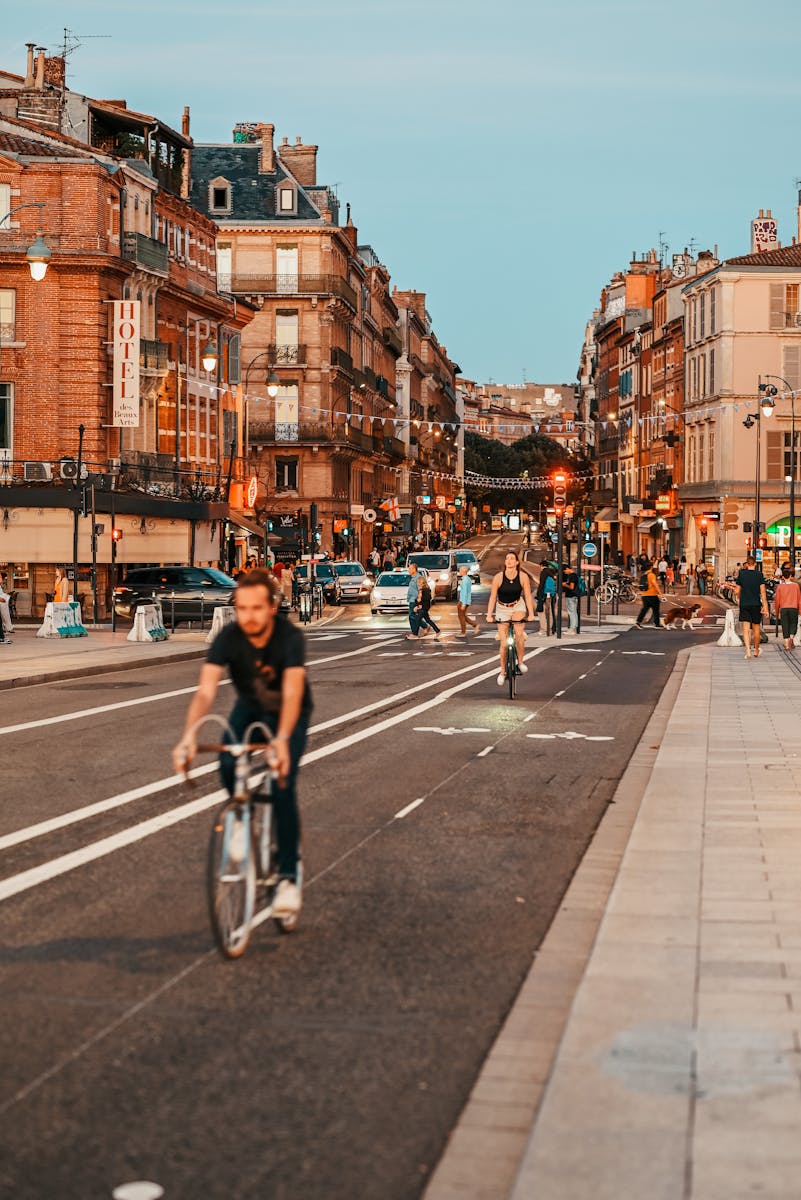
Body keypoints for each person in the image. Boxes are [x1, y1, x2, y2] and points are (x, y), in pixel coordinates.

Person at [172, 569, 310, 921]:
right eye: (242, 608)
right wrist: (189, 736)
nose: (248, 616)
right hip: (249, 706)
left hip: (287, 710)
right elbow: (205, 691)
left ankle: (288, 879)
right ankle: (240, 817)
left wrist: (280, 741)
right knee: (228, 763)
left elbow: (294, 691)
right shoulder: (229, 638)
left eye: (256, 608)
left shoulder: (289, 638)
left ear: (271, 607)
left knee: (282, 784)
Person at [486, 551, 535, 686]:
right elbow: (492, 597)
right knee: (503, 643)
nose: (509, 560)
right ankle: (502, 672)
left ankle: (520, 662)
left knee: (519, 634)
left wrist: (531, 614)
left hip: (517, 606)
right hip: (502, 608)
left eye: (512, 558)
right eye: (507, 558)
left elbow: (528, 596)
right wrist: (489, 615)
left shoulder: (523, 577)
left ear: (517, 562)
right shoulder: (498, 577)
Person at [735, 555, 768, 659]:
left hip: (744, 604)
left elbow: (737, 590)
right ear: (755, 564)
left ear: (747, 564)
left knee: (746, 629)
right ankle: (756, 649)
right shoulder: (759, 575)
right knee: (756, 629)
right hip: (756, 604)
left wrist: (738, 598)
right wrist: (765, 606)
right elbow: (763, 592)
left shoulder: (742, 574)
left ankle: (748, 651)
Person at [773, 563, 801, 651]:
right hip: (794, 608)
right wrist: (800, 610)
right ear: (790, 576)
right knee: (793, 624)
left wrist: (776, 611)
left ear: (783, 577)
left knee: (785, 625)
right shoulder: (796, 586)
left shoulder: (780, 587)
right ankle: (791, 638)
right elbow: (799, 598)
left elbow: (777, 600)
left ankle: (786, 644)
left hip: (784, 608)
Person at [634, 559, 663, 629]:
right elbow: (655, 584)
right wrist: (660, 593)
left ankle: (638, 621)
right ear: (651, 567)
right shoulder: (651, 575)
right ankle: (657, 624)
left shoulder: (644, 574)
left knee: (644, 609)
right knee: (656, 610)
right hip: (652, 595)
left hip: (644, 595)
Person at [405, 562, 427, 640]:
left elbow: (421, 590)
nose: (409, 570)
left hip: (415, 600)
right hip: (412, 599)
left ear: (414, 569)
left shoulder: (418, 578)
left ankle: (416, 632)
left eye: (410, 568)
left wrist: (419, 602)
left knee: (413, 616)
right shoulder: (413, 577)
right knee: (413, 616)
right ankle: (419, 630)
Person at [456, 564, 478, 637]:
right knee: (462, 616)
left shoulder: (465, 580)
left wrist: (463, 604)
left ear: (463, 571)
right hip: (464, 600)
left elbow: (465, 592)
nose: (459, 571)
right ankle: (474, 625)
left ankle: (463, 632)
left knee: (461, 617)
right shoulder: (467, 578)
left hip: (463, 600)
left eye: (460, 570)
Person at [416, 575, 441, 640]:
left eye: (418, 582)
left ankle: (415, 633)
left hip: (424, 607)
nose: (417, 584)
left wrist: (420, 601)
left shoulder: (425, 589)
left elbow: (427, 598)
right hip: (424, 606)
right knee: (428, 620)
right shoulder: (424, 589)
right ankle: (437, 631)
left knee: (417, 620)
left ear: (421, 582)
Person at [536, 562, 557, 636]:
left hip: (544, 594)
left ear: (541, 566)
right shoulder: (552, 573)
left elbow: (541, 584)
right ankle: (550, 629)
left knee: (541, 612)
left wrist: (538, 595)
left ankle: (544, 630)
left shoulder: (543, 572)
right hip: (552, 594)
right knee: (550, 612)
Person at [562, 564, 579, 635]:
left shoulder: (572, 576)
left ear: (567, 568)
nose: (564, 572)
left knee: (571, 612)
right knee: (573, 612)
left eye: (564, 570)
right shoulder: (574, 575)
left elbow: (571, 587)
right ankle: (573, 628)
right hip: (573, 596)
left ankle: (572, 629)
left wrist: (564, 585)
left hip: (571, 596)